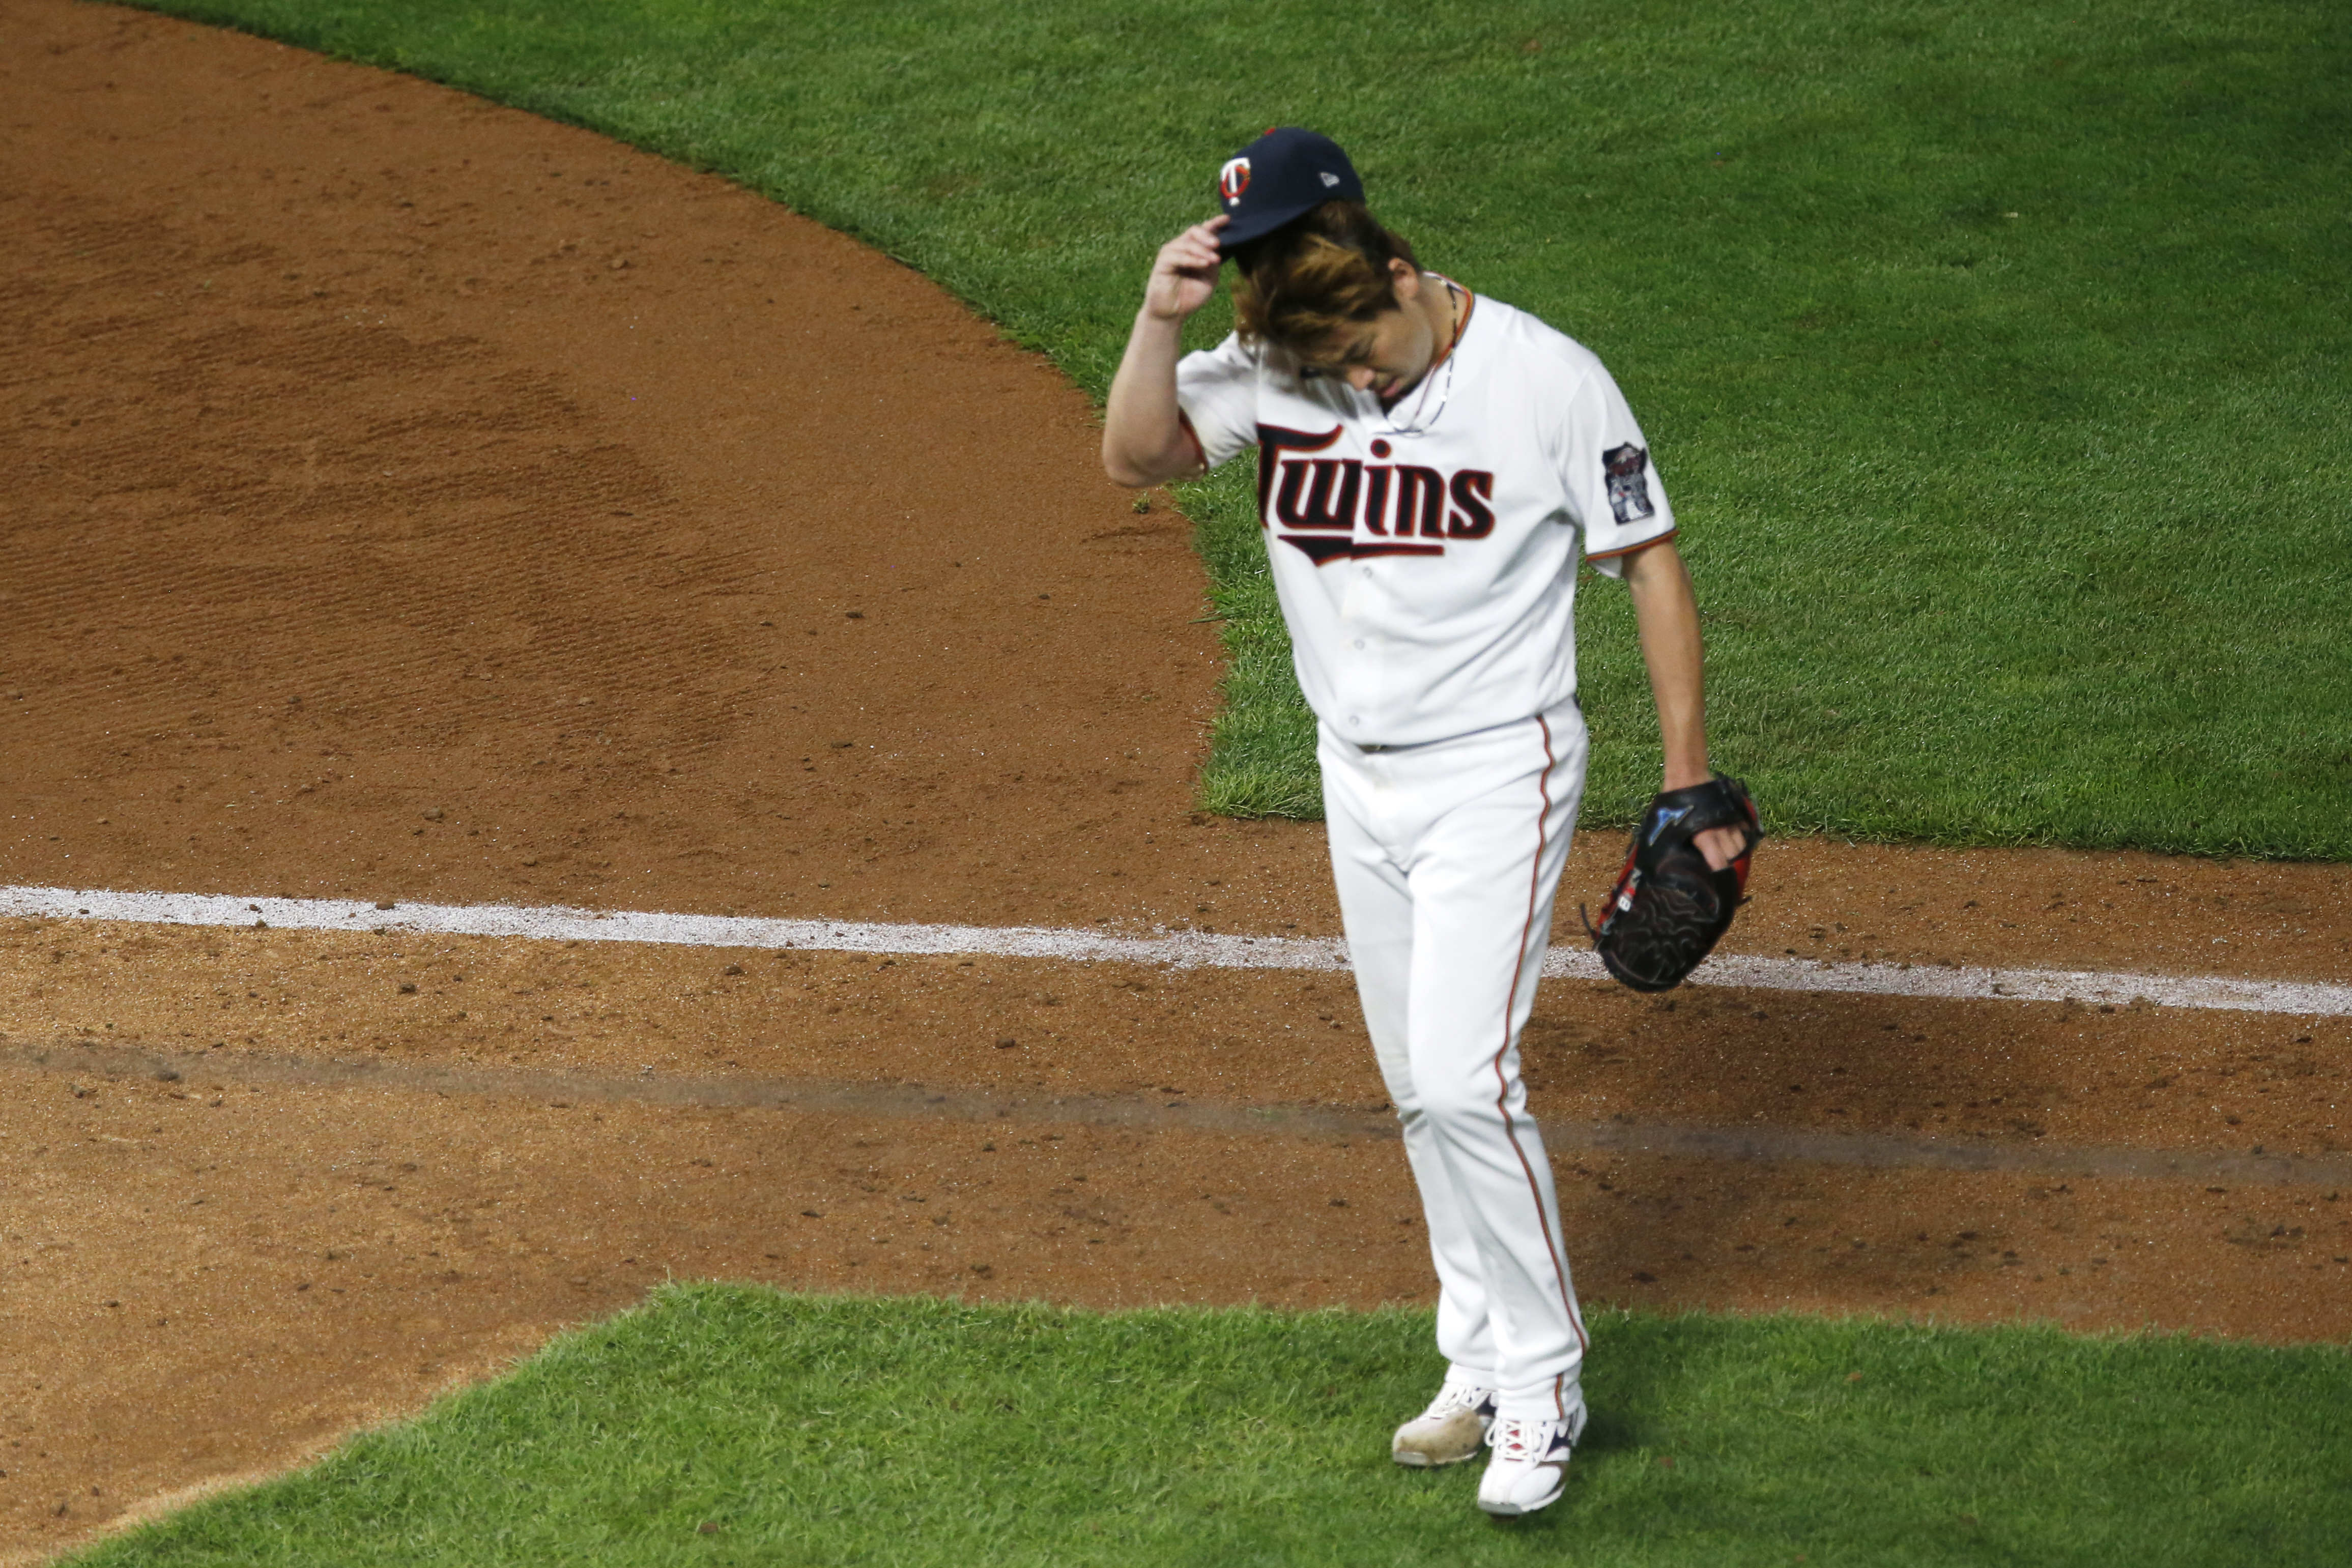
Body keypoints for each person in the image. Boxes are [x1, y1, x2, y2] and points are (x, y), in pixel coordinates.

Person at [1101, 127, 1745, 1517]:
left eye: (1365, 352)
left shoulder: (1545, 379)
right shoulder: (1290, 356)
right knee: (1418, 1087)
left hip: (1495, 769)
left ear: (1401, 270)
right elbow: (1138, 456)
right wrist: (1161, 325)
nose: (1355, 380)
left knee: (1465, 1078)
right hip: (1356, 771)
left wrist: (1689, 775)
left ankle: (1549, 1380)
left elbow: (1648, 559)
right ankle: (1479, 1352)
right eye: (1330, 367)